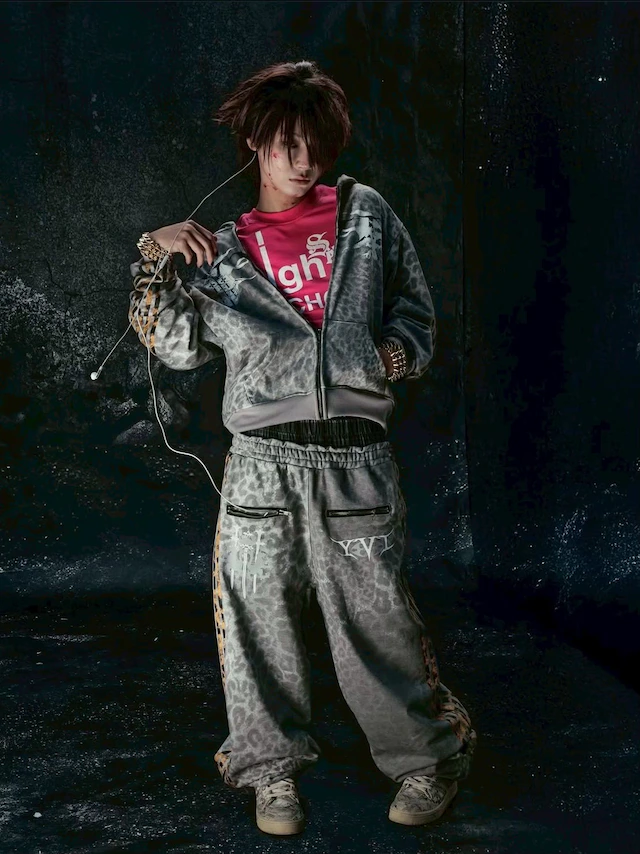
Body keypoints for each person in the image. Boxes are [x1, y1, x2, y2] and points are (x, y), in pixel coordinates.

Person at [128, 60, 477, 836]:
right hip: (260, 465)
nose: (304, 158)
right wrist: (156, 255)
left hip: (356, 460)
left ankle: (429, 760)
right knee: (257, 625)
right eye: (287, 143)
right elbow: (175, 347)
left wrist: (389, 356)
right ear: (256, 142)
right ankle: (271, 773)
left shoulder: (365, 216)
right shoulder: (220, 250)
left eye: (317, 142)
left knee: (376, 625)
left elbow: (415, 311)